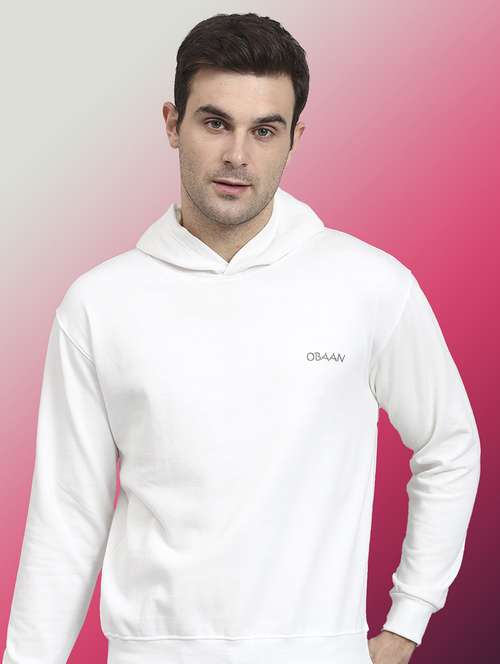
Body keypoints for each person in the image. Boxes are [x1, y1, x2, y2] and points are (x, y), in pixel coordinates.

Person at [2, 12, 480, 664]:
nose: (237, 155)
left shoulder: (369, 286)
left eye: (264, 130)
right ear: (172, 123)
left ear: (295, 138)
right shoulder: (99, 304)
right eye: (215, 123)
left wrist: (409, 619)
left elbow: (448, 443)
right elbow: (67, 515)